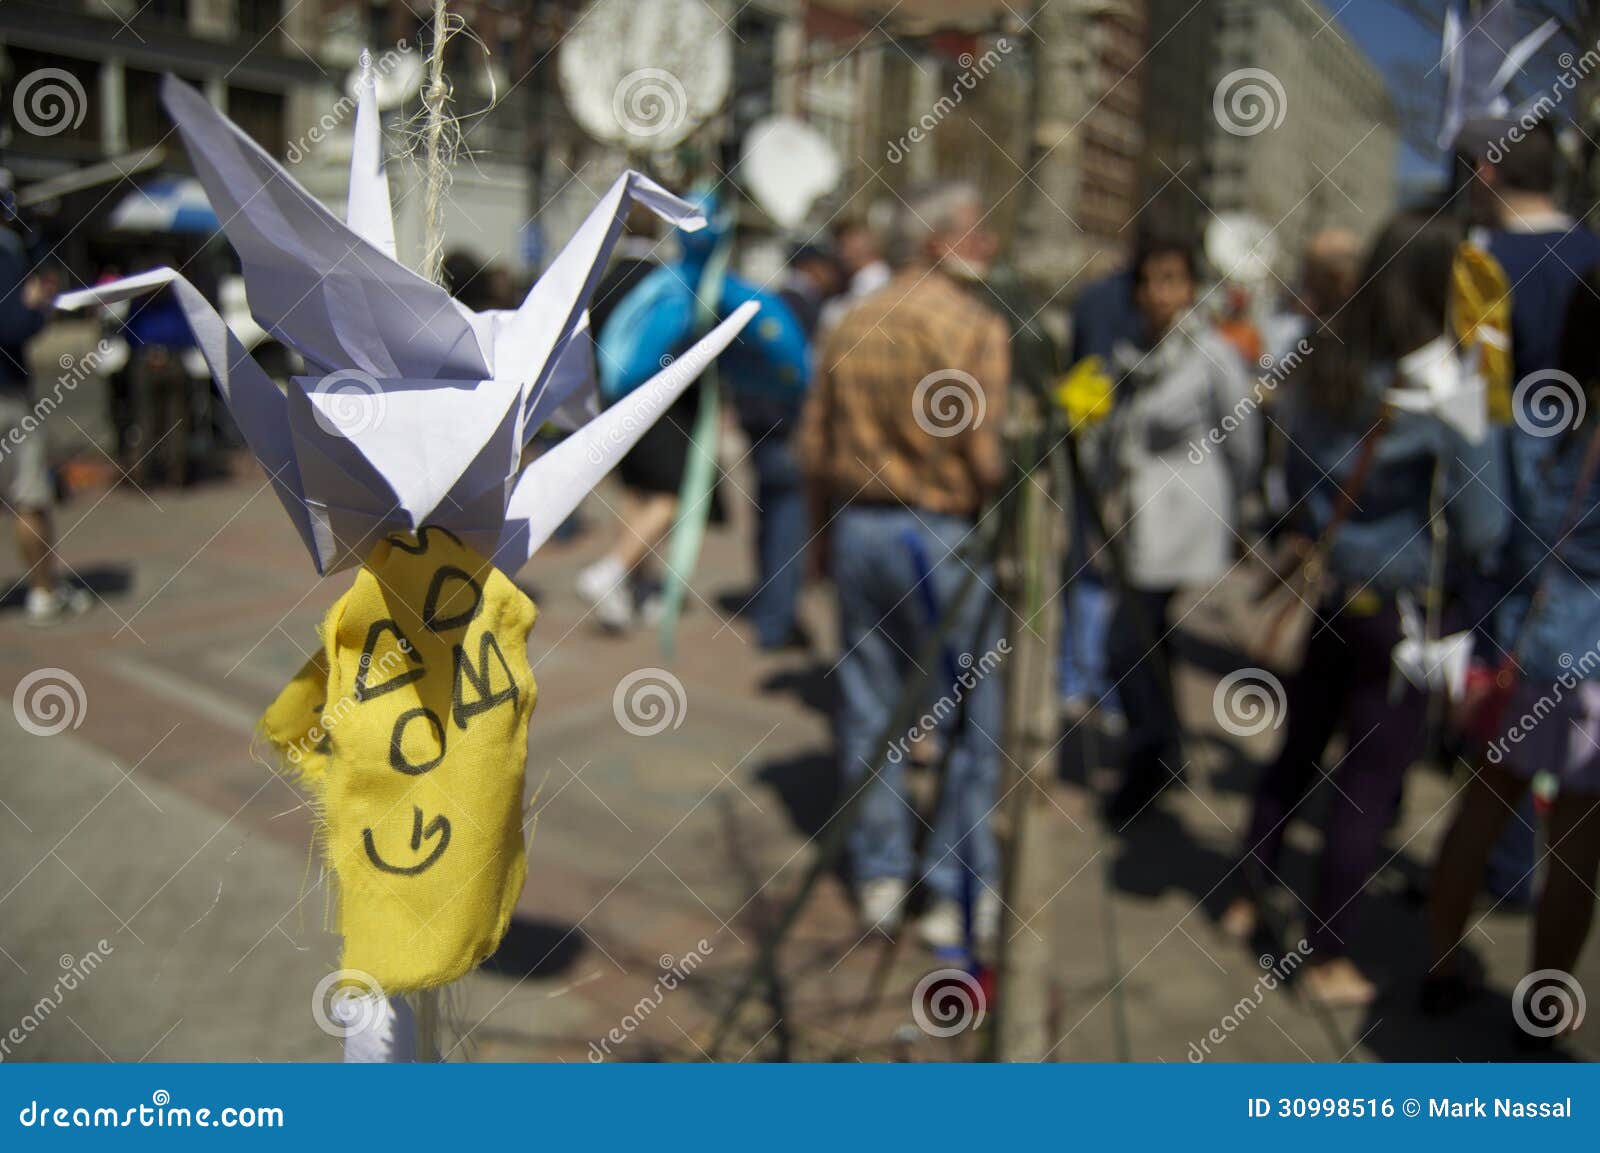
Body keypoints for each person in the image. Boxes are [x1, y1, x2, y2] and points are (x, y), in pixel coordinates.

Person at [1220, 211, 1507, 1007]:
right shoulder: (1443, 384)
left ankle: (1246, 896)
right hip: (1401, 607)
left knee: (1297, 749)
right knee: (1367, 786)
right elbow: (1484, 525)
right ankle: (1327, 956)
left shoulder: (1325, 358)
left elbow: (1292, 481)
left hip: (1332, 589)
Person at [799, 181, 1010, 949]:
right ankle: (954, 886)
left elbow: (815, 443)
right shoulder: (975, 326)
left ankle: (881, 874)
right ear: (938, 241)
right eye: (977, 233)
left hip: (861, 526)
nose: (988, 247)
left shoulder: (851, 320)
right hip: (940, 532)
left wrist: (820, 541)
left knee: (871, 706)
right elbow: (983, 450)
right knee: (971, 715)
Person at [1423, 264, 1600, 1038]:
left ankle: (1438, 964)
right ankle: (1544, 1011)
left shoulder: (1535, 412)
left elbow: (1485, 527)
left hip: (1520, 644)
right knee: (1576, 849)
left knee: (1481, 810)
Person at [1102, 229, 1257, 823]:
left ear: (1191, 286)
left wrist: (1237, 509)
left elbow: (1243, 439)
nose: (1159, 294)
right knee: (1151, 634)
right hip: (1140, 511)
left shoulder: (1211, 352)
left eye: (1171, 280)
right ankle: (1164, 745)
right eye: (1148, 281)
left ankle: (1149, 753)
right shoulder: (1133, 351)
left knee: (1127, 638)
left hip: (1184, 512)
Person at [735, 243, 840, 649]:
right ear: (815, 268)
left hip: (760, 431)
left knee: (769, 522)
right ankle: (776, 623)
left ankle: (770, 609)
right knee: (787, 530)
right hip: (789, 433)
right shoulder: (807, 310)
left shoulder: (769, 304)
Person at [1058, 258, 1142, 729]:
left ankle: (1087, 681)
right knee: (1099, 574)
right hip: (1103, 458)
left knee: (1091, 573)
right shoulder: (1106, 300)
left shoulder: (1092, 296)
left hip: (1106, 458)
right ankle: (1092, 683)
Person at [0, 212, 88, 625]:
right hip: (6, 397)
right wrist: (38, 305)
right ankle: (44, 593)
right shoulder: (6, 249)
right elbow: (13, 326)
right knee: (30, 497)